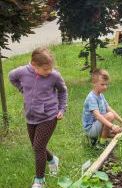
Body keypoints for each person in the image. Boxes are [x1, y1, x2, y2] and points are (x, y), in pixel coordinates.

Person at [9, 47, 68, 188]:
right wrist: (22, 88)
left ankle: (39, 181)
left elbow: (62, 91)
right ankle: (53, 160)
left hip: (49, 116)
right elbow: (11, 77)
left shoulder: (54, 76)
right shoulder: (22, 72)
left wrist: (61, 108)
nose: (49, 72)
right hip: (31, 116)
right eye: (45, 70)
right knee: (36, 146)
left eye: (50, 68)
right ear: (34, 65)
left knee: (38, 147)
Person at [82, 69, 122, 146]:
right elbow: (98, 116)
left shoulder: (100, 95)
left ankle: (105, 135)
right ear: (94, 83)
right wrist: (112, 126)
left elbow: (109, 108)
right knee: (110, 116)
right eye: (102, 84)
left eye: (106, 84)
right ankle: (101, 143)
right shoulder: (91, 97)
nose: (105, 87)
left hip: (98, 125)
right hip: (91, 129)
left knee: (119, 132)